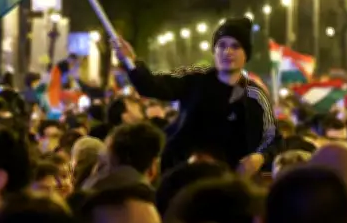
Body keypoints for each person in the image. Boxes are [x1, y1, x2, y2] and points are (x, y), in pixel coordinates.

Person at [114, 17, 276, 174]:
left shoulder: (255, 95)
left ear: (246, 54)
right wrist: (132, 62)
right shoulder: (195, 78)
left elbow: (273, 139)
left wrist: (260, 157)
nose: (228, 52)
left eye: (235, 46)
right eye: (222, 45)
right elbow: (152, 85)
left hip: (227, 180)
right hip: (182, 174)